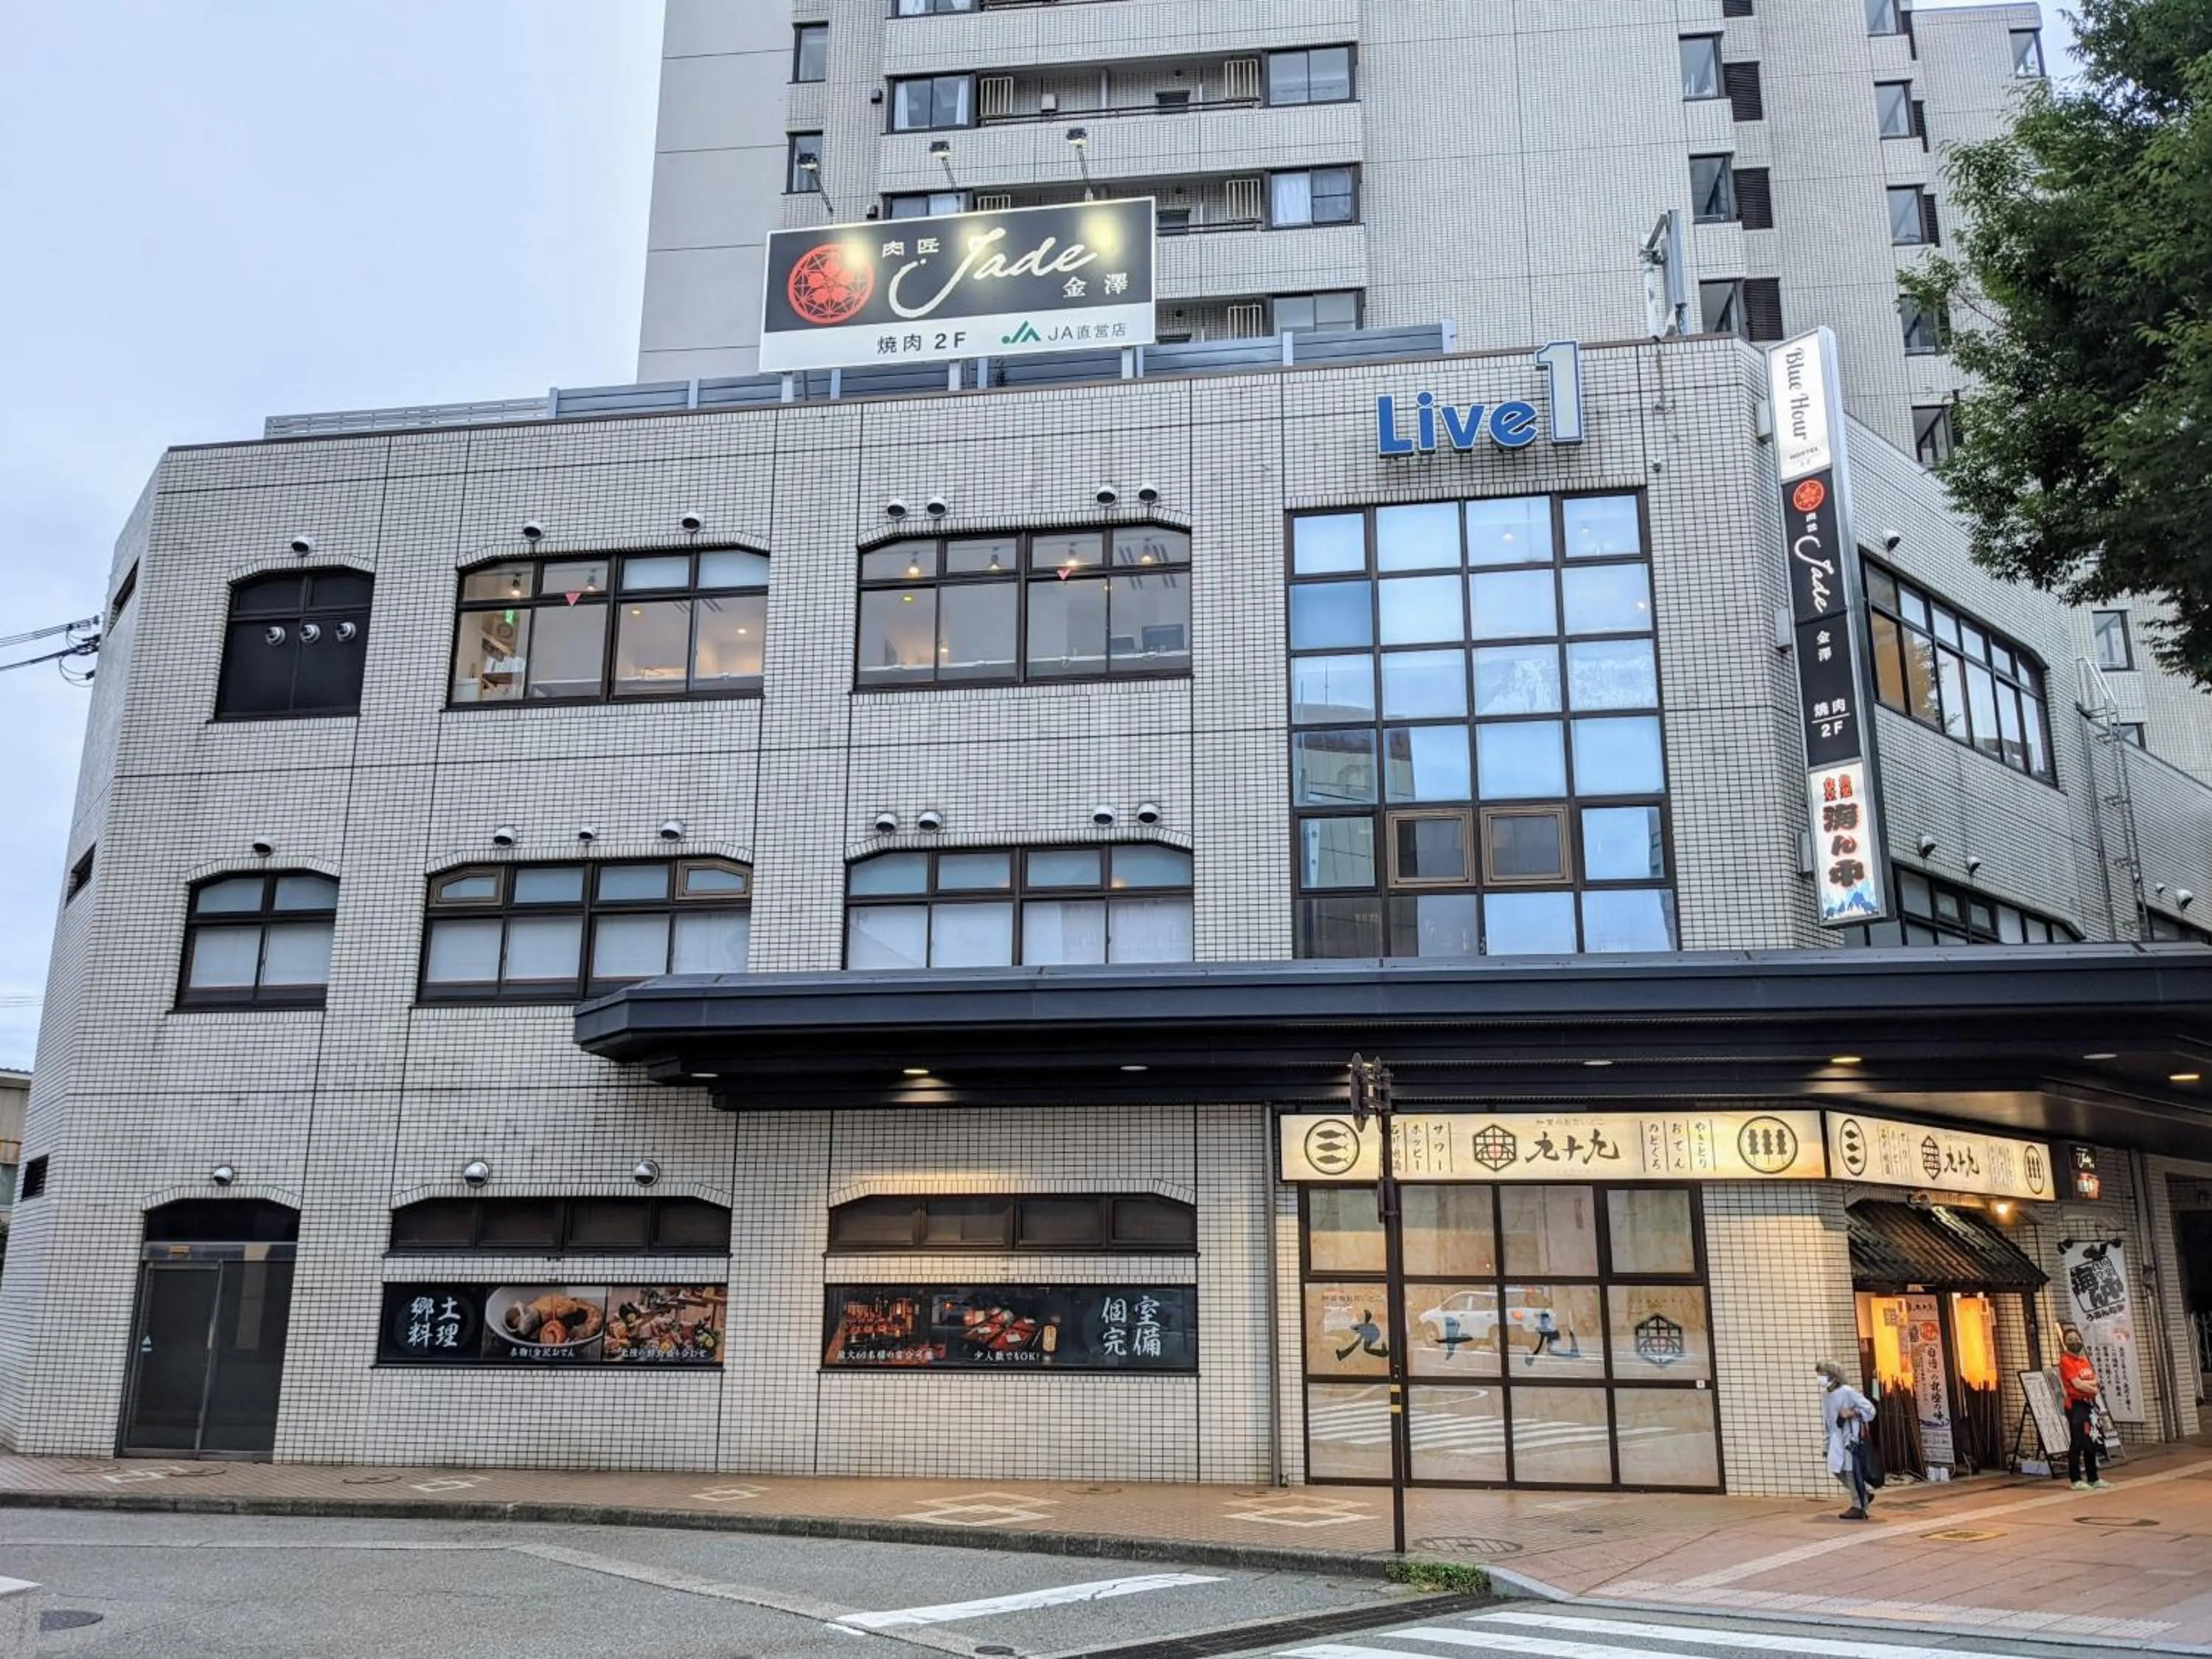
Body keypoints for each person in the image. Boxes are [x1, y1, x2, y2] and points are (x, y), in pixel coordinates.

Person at [1816, 1360, 1878, 1520]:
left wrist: (1852, 1413)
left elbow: (1870, 1410)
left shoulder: (1847, 1391)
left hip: (1850, 1436)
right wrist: (1827, 1444)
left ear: (1833, 1376)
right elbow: (1828, 1421)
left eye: (1823, 1374)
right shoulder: (1826, 1396)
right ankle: (1862, 1494)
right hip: (1836, 1437)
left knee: (1851, 1471)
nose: (1820, 1378)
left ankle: (1859, 1506)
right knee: (1836, 1468)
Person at [2058, 1324, 2112, 1492]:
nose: (2074, 1342)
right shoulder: (2066, 1361)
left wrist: (2089, 1387)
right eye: (2070, 1340)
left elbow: (2094, 1380)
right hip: (2076, 1405)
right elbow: (2077, 1384)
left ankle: (2093, 1478)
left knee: (2092, 1441)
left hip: (2090, 1405)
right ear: (2065, 1343)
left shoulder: (2084, 1360)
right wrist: (2091, 1388)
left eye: (2076, 1339)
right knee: (2078, 1441)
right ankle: (2075, 1479)